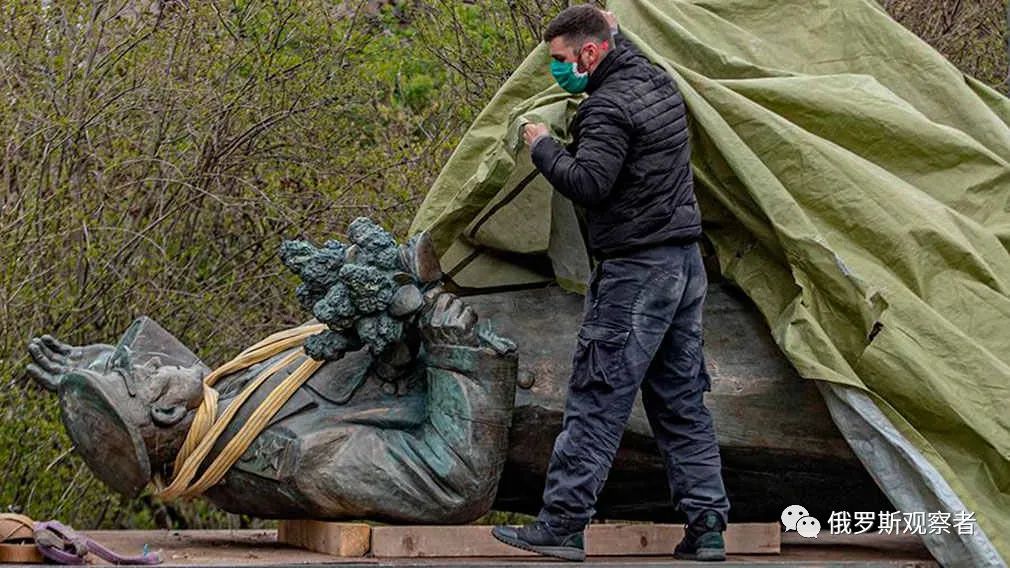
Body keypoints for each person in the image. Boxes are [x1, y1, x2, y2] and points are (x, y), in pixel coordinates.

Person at [491, 5, 731, 562]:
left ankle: (562, 527)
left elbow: (590, 182)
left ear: (590, 53)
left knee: (597, 400)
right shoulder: (657, 81)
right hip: (684, 266)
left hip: (636, 274)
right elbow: (618, 37)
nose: (555, 71)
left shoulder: (606, 108)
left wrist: (541, 143)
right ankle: (708, 528)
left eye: (558, 60)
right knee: (681, 404)